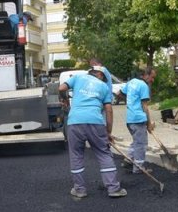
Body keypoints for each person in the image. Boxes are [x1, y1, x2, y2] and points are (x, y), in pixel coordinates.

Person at [58, 66, 126, 199]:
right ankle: (113, 188)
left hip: (75, 122)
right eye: (104, 78)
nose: (104, 80)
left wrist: (65, 100)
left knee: (76, 155)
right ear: (100, 75)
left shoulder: (77, 78)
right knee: (104, 153)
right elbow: (109, 110)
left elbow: (61, 89)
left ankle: (80, 190)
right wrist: (108, 132)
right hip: (95, 122)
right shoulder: (104, 87)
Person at [118, 67, 156, 174]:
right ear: (146, 75)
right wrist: (149, 124)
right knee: (141, 144)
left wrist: (130, 103)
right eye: (152, 77)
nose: (152, 80)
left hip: (130, 119)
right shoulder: (143, 86)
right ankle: (138, 167)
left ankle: (128, 160)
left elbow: (119, 93)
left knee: (136, 141)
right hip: (138, 119)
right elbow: (145, 106)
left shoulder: (131, 82)